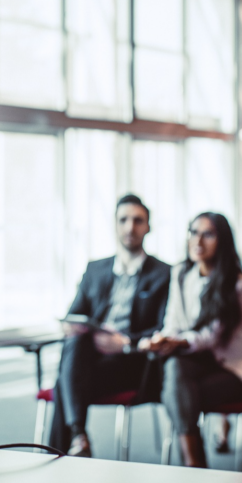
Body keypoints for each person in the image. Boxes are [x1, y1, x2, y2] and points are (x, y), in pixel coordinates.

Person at [141, 213, 242, 468]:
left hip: (241, 366)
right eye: (193, 232)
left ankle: (193, 465)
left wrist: (177, 343)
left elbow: (212, 336)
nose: (198, 240)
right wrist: (164, 339)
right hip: (203, 361)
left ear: (222, 241)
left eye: (208, 234)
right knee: (175, 373)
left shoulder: (236, 283)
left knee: (177, 393)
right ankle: (195, 463)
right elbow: (173, 320)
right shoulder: (180, 272)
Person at [49, 195, 171, 457]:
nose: (130, 227)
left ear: (148, 227)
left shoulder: (164, 273)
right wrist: (75, 328)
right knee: (76, 343)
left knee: (64, 381)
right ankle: (78, 436)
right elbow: (76, 314)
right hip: (90, 359)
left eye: (138, 221)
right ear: (115, 225)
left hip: (133, 363)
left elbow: (164, 327)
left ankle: (68, 444)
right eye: (123, 220)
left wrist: (126, 343)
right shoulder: (95, 269)